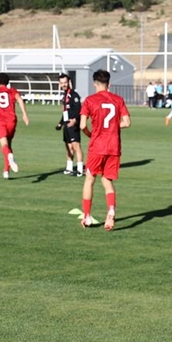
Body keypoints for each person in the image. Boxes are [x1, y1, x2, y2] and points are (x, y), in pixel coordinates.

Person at [80, 69, 130, 230]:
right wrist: (114, 128)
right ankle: (111, 211)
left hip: (97, 145)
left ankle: (86, 216)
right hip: (114, 145)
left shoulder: (89, 100)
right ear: (109, 84)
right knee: (107, 180)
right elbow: (127, 122)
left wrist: (90, 134)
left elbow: (82, 125)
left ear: (95, 83)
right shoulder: (118, 99)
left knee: (90, 179)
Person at [0, 72, 29, 179]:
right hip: (11, 121)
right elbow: (20, 99)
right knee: (9, 145)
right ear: (8, 82)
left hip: (0, 121)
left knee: (4, 146)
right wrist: (24, 114)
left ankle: (9, 159)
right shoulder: (12, 91)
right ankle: (6, 171)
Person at [57, 73, 84, 176]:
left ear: (69, 82)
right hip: (66, 125)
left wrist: (74, 120)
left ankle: (80, 169)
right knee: (68, 146)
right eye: (62, 83)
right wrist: (60, 123)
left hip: (73, 125)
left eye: (65, 82)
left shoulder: (74, 95)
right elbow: (65, 112)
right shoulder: (64, 95)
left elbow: (79, 110)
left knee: (76, 146)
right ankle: (69, 167)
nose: (64, 84)